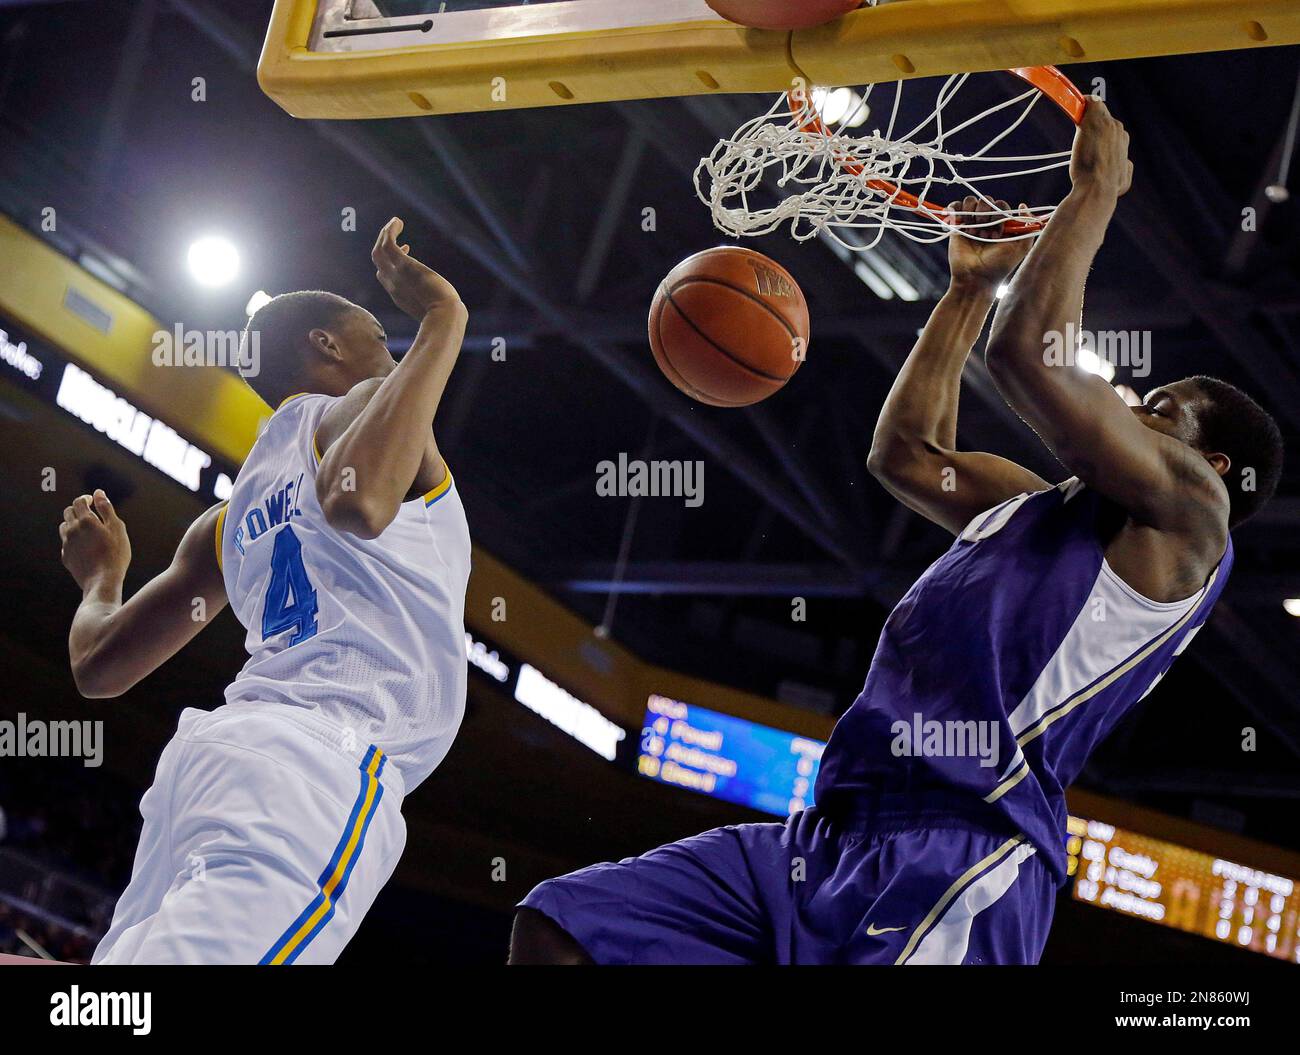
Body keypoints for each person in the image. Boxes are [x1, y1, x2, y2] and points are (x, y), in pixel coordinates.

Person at [509, 100, 1284, 964]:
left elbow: (1029, 354)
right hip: (830, 834)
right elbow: (907, 455)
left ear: (1213, 464)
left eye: (1162, 411)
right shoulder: (1036, 506)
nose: (1135, 408)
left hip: (965, 850)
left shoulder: (1193, 520)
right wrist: (966, 292)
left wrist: (1096, 191)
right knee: (560, 927)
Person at [59, 219, 472, 964]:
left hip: (213, 760)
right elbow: (359, 503)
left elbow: (98, 665)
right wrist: (445, 320)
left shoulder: (227, 518)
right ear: (327, 345)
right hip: (317, 762)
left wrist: (102, 580)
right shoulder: (361, 408)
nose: (392, 350)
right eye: (380, 333)